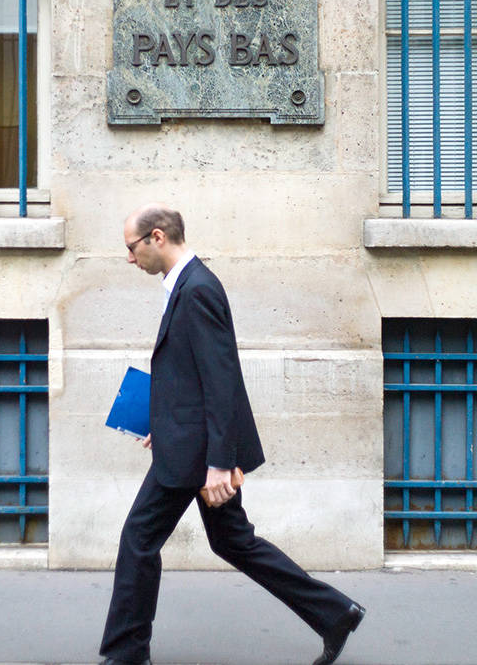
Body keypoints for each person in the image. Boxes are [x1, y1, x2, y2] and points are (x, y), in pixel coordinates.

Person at [98, 204, 365, 665]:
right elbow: (190, 375)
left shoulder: (197, 289)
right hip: (188, 444)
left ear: (157, 238)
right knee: (233, 541)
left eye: (131, 247)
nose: (129, 258)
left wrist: (220, 462)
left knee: (138, 539)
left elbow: (222, 379)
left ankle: (126, 653)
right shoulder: (186, 285)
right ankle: (335, 612)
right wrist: (161, 426)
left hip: (197, 456)